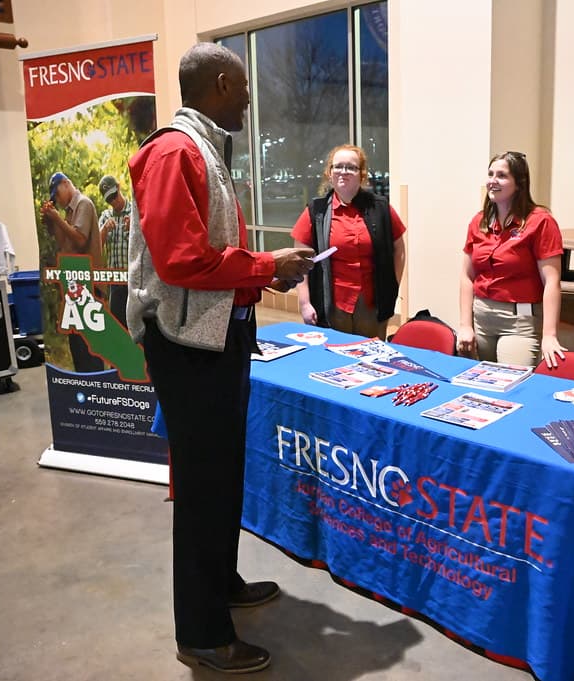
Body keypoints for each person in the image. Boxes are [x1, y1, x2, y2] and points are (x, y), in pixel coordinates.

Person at [126, 42, 315, 674]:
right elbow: (181, 261)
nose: (249, 98)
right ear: (214, 84)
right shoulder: (174, 151)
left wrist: (264, 277)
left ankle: (221, 583)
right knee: (203, 483)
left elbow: (212, 254)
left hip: (218, 336)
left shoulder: (204, 148)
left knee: (223, 473)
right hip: (187, 346)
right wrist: (265, 265)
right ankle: (202, 632)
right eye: (241, 87)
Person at [458, 151, 566, 367]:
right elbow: (466, 276)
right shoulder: (479, 222)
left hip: (519, 322)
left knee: (510, 385)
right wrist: (465, 325)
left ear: (519, 184)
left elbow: (551, 282)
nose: (493, 181)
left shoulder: (540, 221)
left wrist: (549, 334)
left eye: (502, 175)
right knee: (481, 386)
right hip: (481, 319)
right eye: (490, 174)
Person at [291, 144, 406, 339]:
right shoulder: (316, 211)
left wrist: (392, 287)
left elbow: (399, 250)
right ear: (330, 172)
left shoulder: (381, 208)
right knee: (334, 358)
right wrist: (305, 303)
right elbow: (299, 262)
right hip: (331, 303)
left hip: (372, 304)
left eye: (351, 167)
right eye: (338, 166)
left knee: (371, 358)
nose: (343, 172)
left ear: (361, 174)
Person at [41, 171, 105, 372]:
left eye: (57, 193)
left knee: (90, 346)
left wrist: (57, 219)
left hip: (89, 282)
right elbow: (65, 244)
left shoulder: (83, 204)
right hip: (75, 282)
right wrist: (52, 222)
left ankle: (97, 386)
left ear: (66, 184)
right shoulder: (69, 211)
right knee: (77, 344)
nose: (57, 199)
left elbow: (79, 240)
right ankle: (85, 384)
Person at [97, 175, 131, 323]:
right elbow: (97, 247)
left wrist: (134, 230)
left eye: (114, 196)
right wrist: (104, 230)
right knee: (118, 324)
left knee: (135, 324)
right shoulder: (105, 216)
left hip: (133, 280)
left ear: (119, 187)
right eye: (109, 199)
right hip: (115, 282)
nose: (114, 201)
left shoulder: (135, 212)